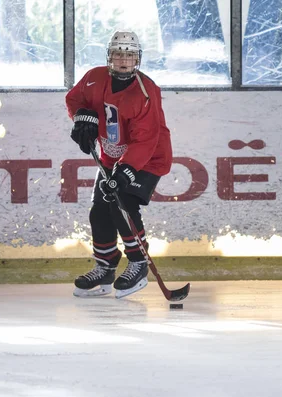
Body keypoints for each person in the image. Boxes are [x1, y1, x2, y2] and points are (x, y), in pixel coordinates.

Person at [65, 30, 173, 299]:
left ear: (137, 58)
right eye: (118, 53)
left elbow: (147, 138)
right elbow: (74, 99)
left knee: (121, 201)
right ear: (109, 56)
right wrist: (82, 118)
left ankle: (138, 262)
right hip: (111, 157)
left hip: (148, 157)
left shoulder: (146, 93)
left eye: (130, 54)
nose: (123, 59)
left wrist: (127, 169)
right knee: (99, 210)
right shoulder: (93, 77)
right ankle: (105, 266)